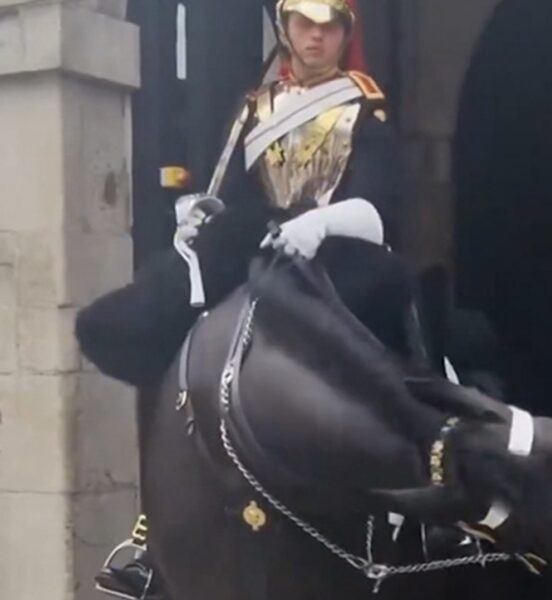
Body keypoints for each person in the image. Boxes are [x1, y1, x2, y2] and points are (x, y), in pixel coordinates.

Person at [80, 1, 413, 598]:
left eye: (329, 26)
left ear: (345, 33)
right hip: (256, 245)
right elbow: (229, 192)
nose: (316, 37)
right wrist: (200, 214)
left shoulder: (363, 104)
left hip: (332, 251)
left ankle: (408, 496)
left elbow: (379, 205)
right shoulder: (255, 110)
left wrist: (322, 225)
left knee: (380, 339)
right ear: (285, 28)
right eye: (304, 24)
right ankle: (153, 536)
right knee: (163, 334)